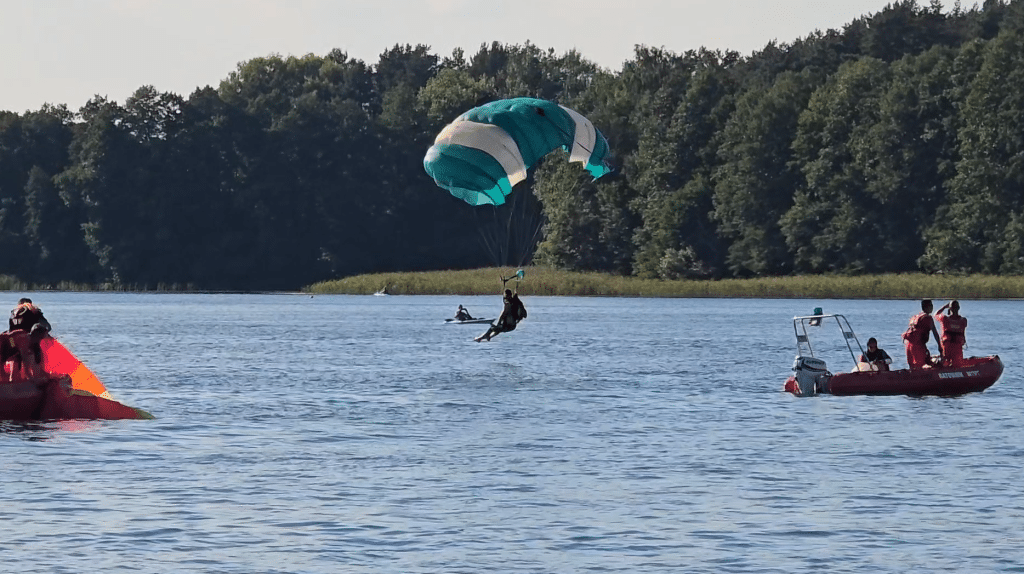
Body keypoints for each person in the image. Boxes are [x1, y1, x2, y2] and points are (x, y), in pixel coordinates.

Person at [902, 299, 942, 370]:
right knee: (921, 366)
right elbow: (935, 333)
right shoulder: (928, 318)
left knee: (913, 367)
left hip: (908, 344)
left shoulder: (916, 317)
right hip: (917, 346)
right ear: (927, 307)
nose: (932, 307)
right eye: (931, 305)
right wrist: (940, 346)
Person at [935, 300, 967, 367]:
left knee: (946, 362)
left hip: (947, 346)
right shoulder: (963, 320)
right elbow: (963, 333)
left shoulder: (944, 319)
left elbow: (936, 314)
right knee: (957, 365)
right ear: (958, 308)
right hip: (957, 346)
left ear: (950, 308)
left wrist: (944, 307)